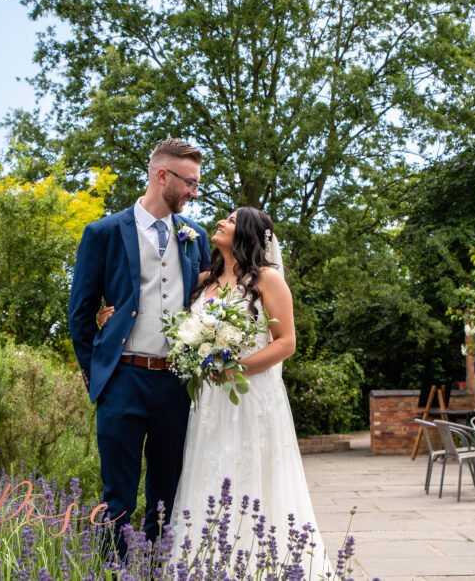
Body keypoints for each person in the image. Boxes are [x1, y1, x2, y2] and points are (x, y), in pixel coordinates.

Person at [99, 207, 330, 574]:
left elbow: (286, 343)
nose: (220, 223)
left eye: (231, 220)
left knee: (251, 477)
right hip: (207, 402)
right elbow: (157, 309)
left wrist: (235, 368)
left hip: (250, 397)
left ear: (249, 236)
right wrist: (108, 319)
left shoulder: (268, 280)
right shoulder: (204, 280)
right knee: (206, 476)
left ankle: (259, 564)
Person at [68, 138, 212, 557]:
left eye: (198, 184)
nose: (194, 192)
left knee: (166, 496)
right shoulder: (104, 233)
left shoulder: (194, 236)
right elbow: (80, 312)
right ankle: (113, 570)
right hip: (123, 380)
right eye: (189, 182)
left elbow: (205, 306)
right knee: (118, 497)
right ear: (161, 175)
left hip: (175, 383)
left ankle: (155, 569)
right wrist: (98, 373)